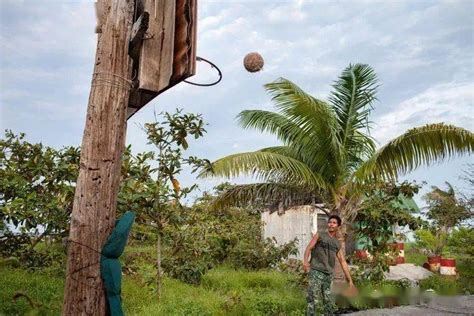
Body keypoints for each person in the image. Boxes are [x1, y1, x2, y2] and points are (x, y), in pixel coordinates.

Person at [303, 215, 355, 315]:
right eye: (330, 222)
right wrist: (305, 262)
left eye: (334, 223)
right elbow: (309, 248)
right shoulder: (320, 235)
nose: (331, 224)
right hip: (316, 271)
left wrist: (350, 280)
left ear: (338, 226)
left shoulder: (337, 243)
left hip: (328, 274)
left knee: (327, 301)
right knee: (312, 298)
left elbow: (343, 261)